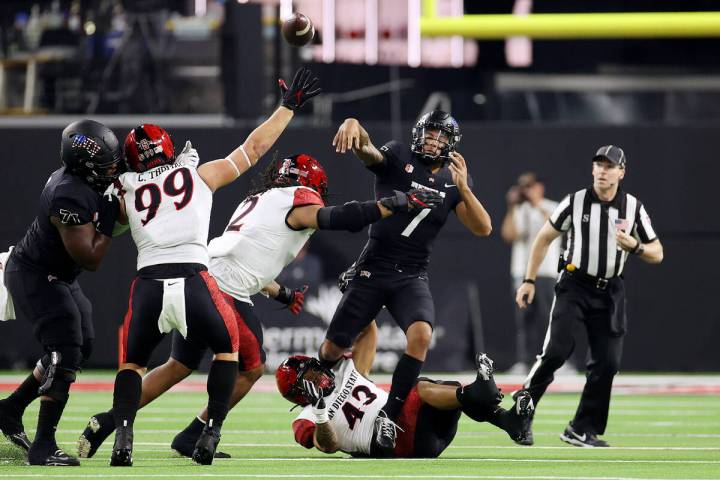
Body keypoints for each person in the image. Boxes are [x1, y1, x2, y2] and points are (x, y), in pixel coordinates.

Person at [77, 151, 442, 459]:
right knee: (252, 367)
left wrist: (279, 292)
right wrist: (390, 206)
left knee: (179, 364)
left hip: (203, 276)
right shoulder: (298, 198)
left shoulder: (259, 200)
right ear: (308, 186)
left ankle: (108, 420)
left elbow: (245, 254)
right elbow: (337, 218)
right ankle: (199, 432)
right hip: (224, 289)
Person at [100, 66, 322, 467]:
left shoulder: (127, 191)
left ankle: (121, 437)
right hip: (193, 280)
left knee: (135, 363)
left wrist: (116, 186)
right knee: (228, 355)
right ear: (170, 148)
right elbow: (253, 150)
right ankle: (210, 431)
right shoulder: (197, 174)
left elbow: (106, 232)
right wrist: (288, 107)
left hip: (149, 283)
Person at [319, 110, 493, 455]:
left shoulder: (452, 181)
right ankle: (319, 403)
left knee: (421, 334)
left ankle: (389, 414)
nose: (433, 140)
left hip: (411, 274)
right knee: (330, 351)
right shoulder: (399, 156)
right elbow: (368, 151)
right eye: (430, 133)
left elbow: (483, 227)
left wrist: (463, 188)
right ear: (418, 134)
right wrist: (355, 123)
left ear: (450, 144)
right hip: (373, 268)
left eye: (441, 136)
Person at [515, 145, 663, 447]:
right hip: (574, 284)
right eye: (598, 165)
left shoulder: (633, 207)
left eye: (609, 167)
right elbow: (543, 238)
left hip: (610, 290)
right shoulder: (575, 202)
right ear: (592, 169)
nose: (602, 171)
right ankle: (521, 413)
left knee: (607, 363)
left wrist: (635, 247)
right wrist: (529, 279)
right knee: (556, 352)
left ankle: (581, 428)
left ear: (621, 172)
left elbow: (657, 252)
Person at [0, 119, 123, 466]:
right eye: (106, 166)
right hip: (37, 276)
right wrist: (110, 220)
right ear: (86, 166)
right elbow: (91, 257)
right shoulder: (68, 193)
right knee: (64, 349)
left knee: (81, 343)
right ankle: (43, 445)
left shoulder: (82, 177)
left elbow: (122, 164)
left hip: (58, 275)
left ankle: (10, 409)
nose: (112, 171)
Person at [277, 322, 534, 458]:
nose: (319, 374)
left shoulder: (346, 371)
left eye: (314, 368)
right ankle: (479, 393)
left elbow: (368, 326)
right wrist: (322, 413)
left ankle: (508, 421)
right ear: (299, 392)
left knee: (441, 388)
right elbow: (328, 446)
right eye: (309, 376)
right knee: (417, 388)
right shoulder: (307, 418)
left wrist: (355, 293)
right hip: (394, 443)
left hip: (426, 429)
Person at [500, 172, 565, 375]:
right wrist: (511, 207)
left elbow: (557, 229)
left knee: (550, 318)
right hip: (521, 272)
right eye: (524, 187)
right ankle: (523, 362)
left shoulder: (552, 206)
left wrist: (537, 203)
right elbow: (509, 235)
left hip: (546, 272)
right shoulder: (519, 209)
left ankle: (555, 361)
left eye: (530, 186)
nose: (527, 190)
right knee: (524, 319)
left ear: (539, 187)